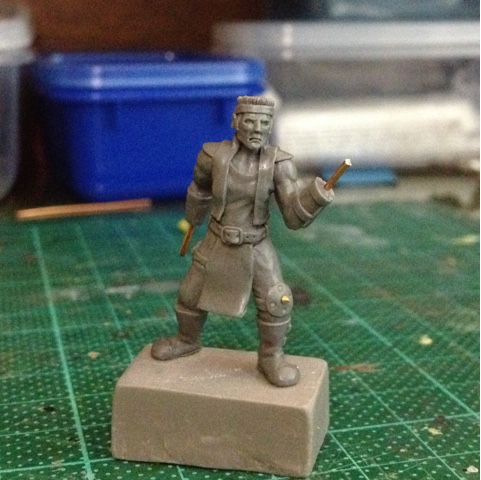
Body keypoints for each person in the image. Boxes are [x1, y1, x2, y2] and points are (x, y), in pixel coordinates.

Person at [151, 95, 334, 387]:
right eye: (250, 121)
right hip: (217, 237)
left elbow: (292, 215)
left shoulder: (280, 164)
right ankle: (187, 340)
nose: (257, 128)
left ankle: (271, 356)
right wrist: (194, 217)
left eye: (264, 122)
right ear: (236, 121)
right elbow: (199, 186)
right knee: (190, 294)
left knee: (276, 300)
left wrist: (314, 197)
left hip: (256, 243)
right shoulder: (212, 156)